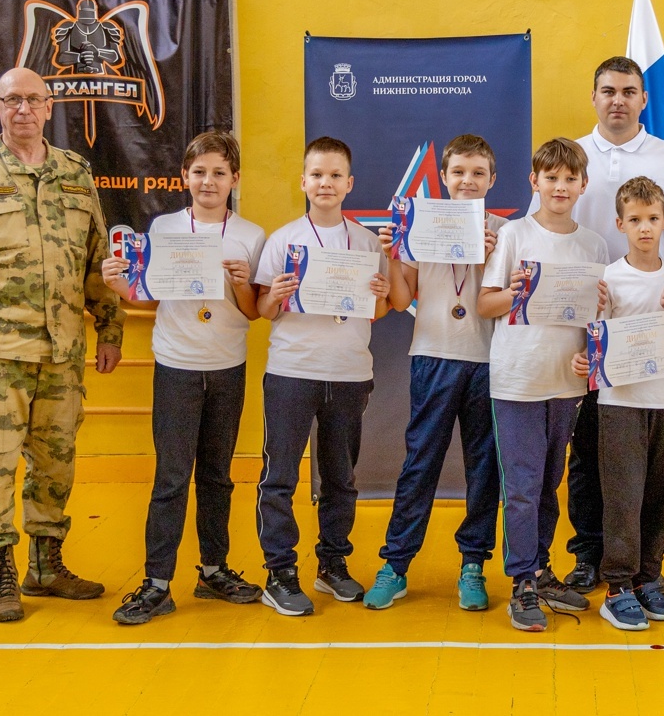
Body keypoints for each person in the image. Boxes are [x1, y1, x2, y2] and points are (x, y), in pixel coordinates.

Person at [0, 66, 125, 623]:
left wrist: (109, 326)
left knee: (56, 464)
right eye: (12, 99)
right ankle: (2, 572)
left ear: (48, 107)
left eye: (34, 100)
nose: (24, 109)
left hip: (62, 351)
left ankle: (46, 565)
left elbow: (97, 256)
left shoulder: (74, 171)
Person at [101, 131, 266, 624]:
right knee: (171, 477)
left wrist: (241, 283)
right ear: (184, 177)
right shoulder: (164, 227)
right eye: (199, 172)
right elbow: (149, 295)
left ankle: (213, 570)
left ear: (235, 179)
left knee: (217, 476)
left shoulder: (251, 235)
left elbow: (253, 311)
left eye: (219, 173)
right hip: (176, 365)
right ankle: (157, 582)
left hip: (227, 366)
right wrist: (120, 285)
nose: (208, 181)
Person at [560, 56, 664, 595]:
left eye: (629, 90)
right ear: (594, 97)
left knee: (645, 462)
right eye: (608, 90)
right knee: (587, 452)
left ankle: (643, 566)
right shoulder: (572, 158)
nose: (618, 100)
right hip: (585, 318)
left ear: (645, 99)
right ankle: (589, 555)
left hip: (652, 329)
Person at [362, 135, 506, 611]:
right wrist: (391, 253)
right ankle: (396, 564)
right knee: (420, 463)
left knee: (484, 468)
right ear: (443, 177)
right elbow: (403, 298)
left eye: (478, 173)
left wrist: (490, 255)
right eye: (459, 172)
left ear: (492, 179)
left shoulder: (505, 232)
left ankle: (473, 565)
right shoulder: (419, 225)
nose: (468, 181)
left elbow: (507, 298)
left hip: (488, 361)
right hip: (433, 355)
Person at [252, 136, 391, 616]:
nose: (325, 183)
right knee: (280, 477)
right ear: (303, 182)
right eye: (317, 175)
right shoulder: (283, 240)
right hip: (292, 371)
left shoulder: (367, 242)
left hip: (349, 374)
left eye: (335, 175)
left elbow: (376, 311)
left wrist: (379, 294)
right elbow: (263, 309)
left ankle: (331, 564)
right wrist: (276, 295)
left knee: (340, 478)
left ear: (350, 184)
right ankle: (279, 572)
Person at [478, 137, 610, 632]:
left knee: (550, 483)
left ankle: (540, 568)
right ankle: (521, 582)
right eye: (550, 177)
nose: (560, 186)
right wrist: (515, 293)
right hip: (518, 379)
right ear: (534, 181)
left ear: (583, 185)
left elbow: (596, 321)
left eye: (569, 179)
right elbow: (485, 304)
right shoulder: (514, 234)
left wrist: (599, 315)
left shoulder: (594, 245)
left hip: (566, 382)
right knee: (522, 487)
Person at [570, 177, 664, 630]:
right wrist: (585, 356)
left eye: (652, 219)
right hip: (619, 403)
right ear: (620, 224)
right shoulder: (607, 277)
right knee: (623, 495)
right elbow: (594, 339)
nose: (645, 228)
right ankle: (618, 586)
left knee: (656, 494)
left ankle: (648, 578)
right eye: (635, 220)